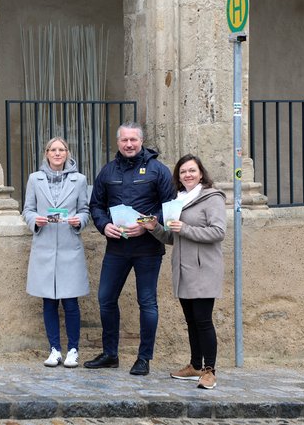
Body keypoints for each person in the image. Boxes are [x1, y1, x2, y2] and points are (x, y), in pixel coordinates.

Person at [84, 122, 175, 376]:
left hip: (148, 248)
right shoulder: (107, 171)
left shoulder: (158, 170)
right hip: (117, 248)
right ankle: (110, 354)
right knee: (105, 299)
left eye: (133, 140)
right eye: (124, 140)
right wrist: (104, 226)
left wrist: (147, 225)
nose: (129, 144)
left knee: (147, 303)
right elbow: (96, 206)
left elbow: (169, 207)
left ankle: (144, 358)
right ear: (118, 142)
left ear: (141, 141)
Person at [139, 154, 226, 389]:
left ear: (201, 173)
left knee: (203, 320)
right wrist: (154, 227)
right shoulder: (177, 200)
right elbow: (171, 237)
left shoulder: (212, 198)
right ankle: (195, 365)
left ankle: (210, 370)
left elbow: (218, 232)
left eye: (192, 171)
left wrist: (185, 228)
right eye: (183, 172)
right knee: (191, 320)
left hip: (204, 268)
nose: (187, 175)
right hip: (183, 268)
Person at [22, 137, 90, 368]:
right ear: (46, 153)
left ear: (67, 153)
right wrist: (36, 220)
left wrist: (78, 221)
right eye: (53, 150)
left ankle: (73, 349)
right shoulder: (35, 179)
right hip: (45, 246)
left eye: (62, 150)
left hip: (70, 247)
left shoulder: (79, 180)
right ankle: (54, 349)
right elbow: (28, 210)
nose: (58, 153)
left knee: (71, 302)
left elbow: (84, 210)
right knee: (49, 302)